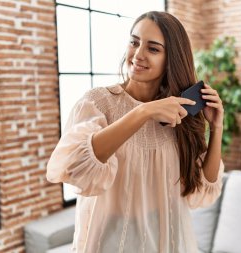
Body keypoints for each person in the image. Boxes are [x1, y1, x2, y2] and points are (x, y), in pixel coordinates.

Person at [46, 11, 224, 253]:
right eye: (134, 42)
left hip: (168, 238)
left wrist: (216, 127)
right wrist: (143, 112)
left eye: (153, 48)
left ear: (171, 59)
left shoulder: (178, 112)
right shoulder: (98, 102)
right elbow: (74, 167)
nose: (138, 54)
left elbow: (202, 189)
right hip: (110, 239)